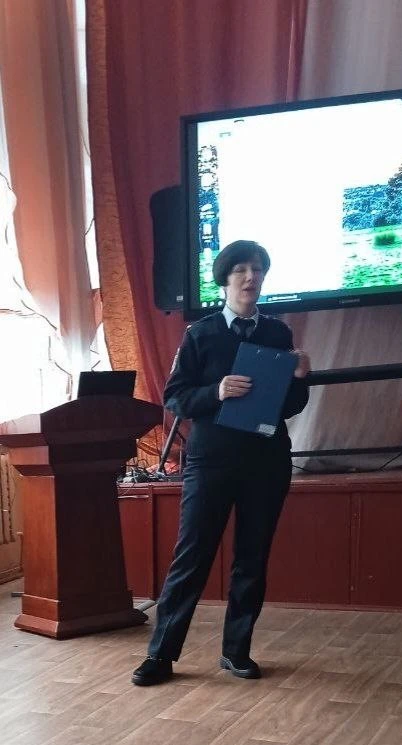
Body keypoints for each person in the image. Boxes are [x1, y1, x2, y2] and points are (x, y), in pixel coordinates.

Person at [132, 240, 310, 686]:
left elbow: (290, 406)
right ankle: (160, 655)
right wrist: (217, 391)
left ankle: (236, 651)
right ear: (225, 279)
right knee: (192, 556)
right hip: (211, 461)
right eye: (241, 270)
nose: (251, 277)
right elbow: (175, 397)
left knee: (252, 558)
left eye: (258, 269)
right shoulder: (201, 333)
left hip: (266, 461)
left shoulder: (278, 334)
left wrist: (300, 379)